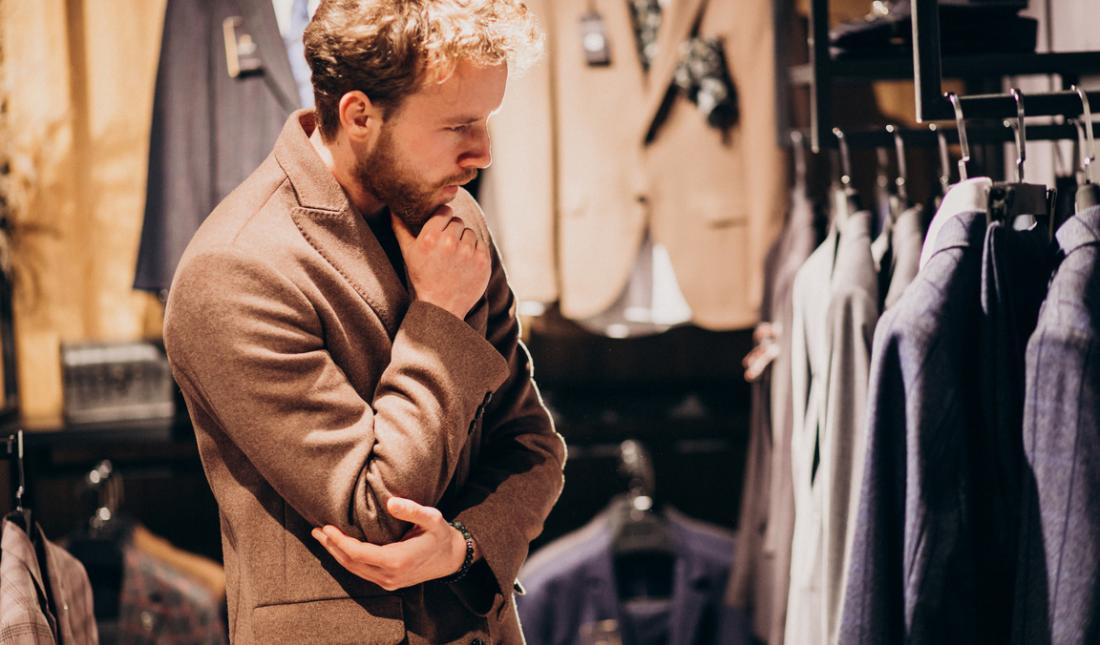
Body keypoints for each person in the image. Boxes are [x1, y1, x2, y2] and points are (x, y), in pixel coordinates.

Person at [162, 1, 566, 643]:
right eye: (459, 126)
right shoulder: (235, 269)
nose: (484, 154)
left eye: (487, 122)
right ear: (358, 115)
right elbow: (376, 510)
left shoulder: (454, 221)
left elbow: (533, 447)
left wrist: (463, 547)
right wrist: (438, 317)